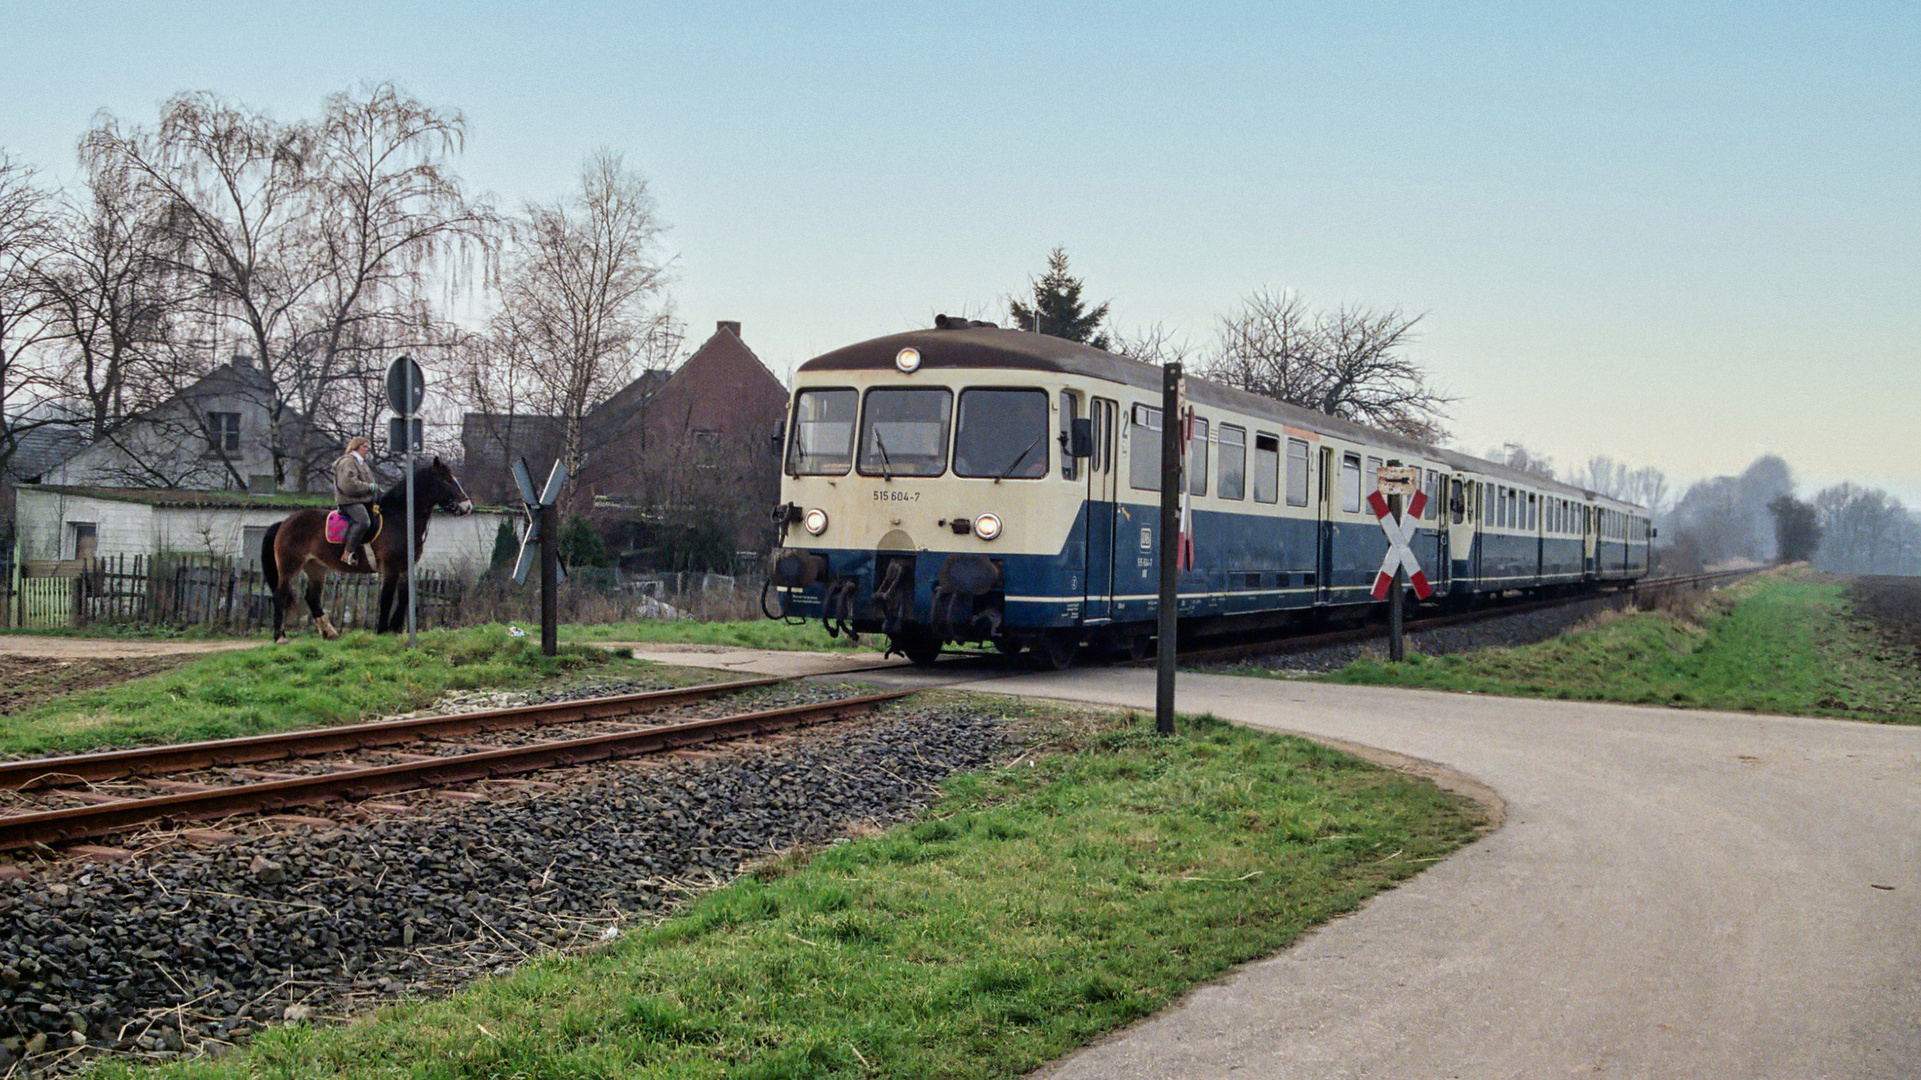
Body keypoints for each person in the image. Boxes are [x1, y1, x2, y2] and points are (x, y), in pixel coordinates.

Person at [333, 436, 379, 566]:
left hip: (363, 500)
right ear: (356, 447)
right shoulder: (348, 462)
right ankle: (347, 552)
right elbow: (348, 485)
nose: (367, 449)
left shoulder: (362, 463)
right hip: (349, 501)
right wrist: (368, 487)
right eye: (365, 446)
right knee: (363, 521)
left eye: (368, 447)